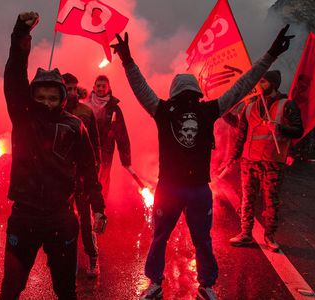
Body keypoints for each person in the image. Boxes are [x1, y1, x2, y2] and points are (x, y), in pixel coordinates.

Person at [111, 25, 292, 299]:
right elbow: (241, 87)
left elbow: (141, 89)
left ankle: (180, 285)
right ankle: (194, 285)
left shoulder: (168, 109)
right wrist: (270, 55)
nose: (186, 100)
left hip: (181, 188)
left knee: (179, 239)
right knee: (191, 240)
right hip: (185, 189)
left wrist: (127, 60)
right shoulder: (203, 109)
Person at [0, 12, 107, 300]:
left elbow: (88, 168)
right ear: (31, 97)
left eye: (52, 97)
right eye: (40, 96)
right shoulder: (23, 118)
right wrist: (20, 32)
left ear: (62, 98)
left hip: (61, 218)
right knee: (10, 288)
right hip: (24, 215)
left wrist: (98, 206)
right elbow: (13, 75)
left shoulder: (75, 125)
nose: (46, 102)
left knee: (65, 290)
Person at [226, 70, 304, 252]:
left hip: (272, 162)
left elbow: (299, 130)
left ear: (273, 84)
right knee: (247, 199)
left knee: (271, 201)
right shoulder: (250, 106)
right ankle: (245, 233)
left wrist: (280, 128)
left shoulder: (287, 105)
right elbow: (242, 133)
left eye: (263, 81)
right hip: (249, 160)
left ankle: (269, 237)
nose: (259, 85)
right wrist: (235, 156)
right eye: (259, 81)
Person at [62, 72, 103, 276]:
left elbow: (95, 143)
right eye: (67, 88)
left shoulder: (86, 111)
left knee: (85, 221)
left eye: (73, 88)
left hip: (82, 175)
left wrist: (96, 166)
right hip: (62, 177)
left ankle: (93, 257)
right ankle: (68, 260)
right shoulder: (55, 113)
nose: (71, 92)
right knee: (64, 222)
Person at [85, 75, 133, 198]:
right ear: (93, 87)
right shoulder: (85, 105)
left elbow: (122, 135)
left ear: (109, 88)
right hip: (86, 150)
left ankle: (100, 212)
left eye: (104, 86)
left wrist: (126, 160)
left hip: (105, 153)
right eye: (98, 86)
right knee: (84, 180)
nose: (101, 89)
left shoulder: (114, 109)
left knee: (102, 183)